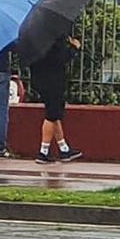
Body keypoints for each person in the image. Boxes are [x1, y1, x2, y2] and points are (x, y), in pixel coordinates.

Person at [29, 36, 83, 164]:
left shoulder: (33, 40)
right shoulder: (52, 40)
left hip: (39, 80)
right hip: (53, 81)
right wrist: (74, 48)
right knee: (52, 115)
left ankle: (64, 149)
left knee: (55, 113)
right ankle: (43, 152)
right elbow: (60, 59)